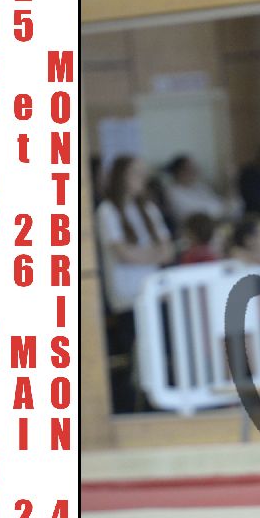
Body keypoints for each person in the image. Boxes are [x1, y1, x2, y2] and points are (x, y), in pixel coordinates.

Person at [95, 155, 175, 412]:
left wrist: (145, 255)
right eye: (135, 174)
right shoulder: (108, 211)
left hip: (153, 292)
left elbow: (167, 250)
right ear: (121, 177)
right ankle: (136, 404)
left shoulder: (149, 209)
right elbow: (123, 254)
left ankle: (158, 401)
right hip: (127, 295)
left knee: (160, 349)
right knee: (136, 352)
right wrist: (152, 254)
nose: (142, 179)